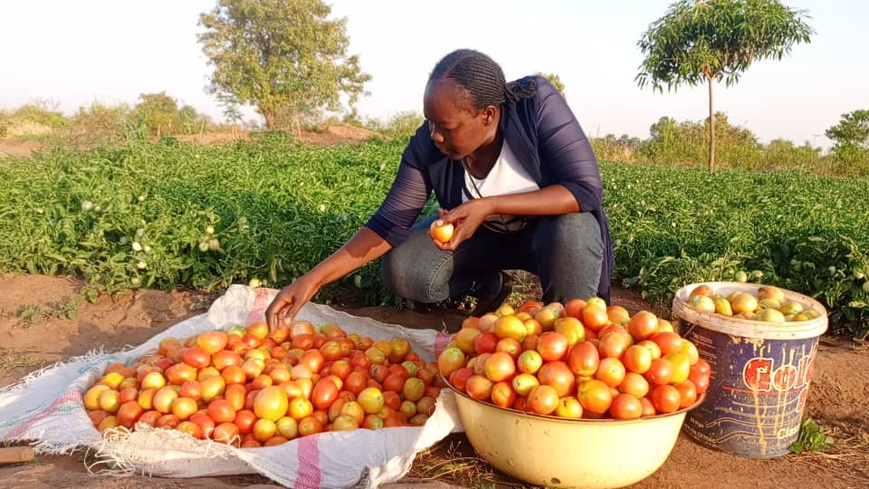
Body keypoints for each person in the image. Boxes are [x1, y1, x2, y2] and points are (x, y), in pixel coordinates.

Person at [265, 48, 614, 331]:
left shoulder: (536, 106)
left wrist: (489, 205)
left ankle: (570, 329)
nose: (434, 135)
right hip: (482, 243)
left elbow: (584, 189)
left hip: (549, 238)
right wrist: (312, 281)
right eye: (430, 122)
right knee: (404, 267)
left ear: (488, 115)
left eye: (445, 126)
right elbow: (388, 224)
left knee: (574, 226)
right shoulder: (428, 145)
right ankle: (488, 287)